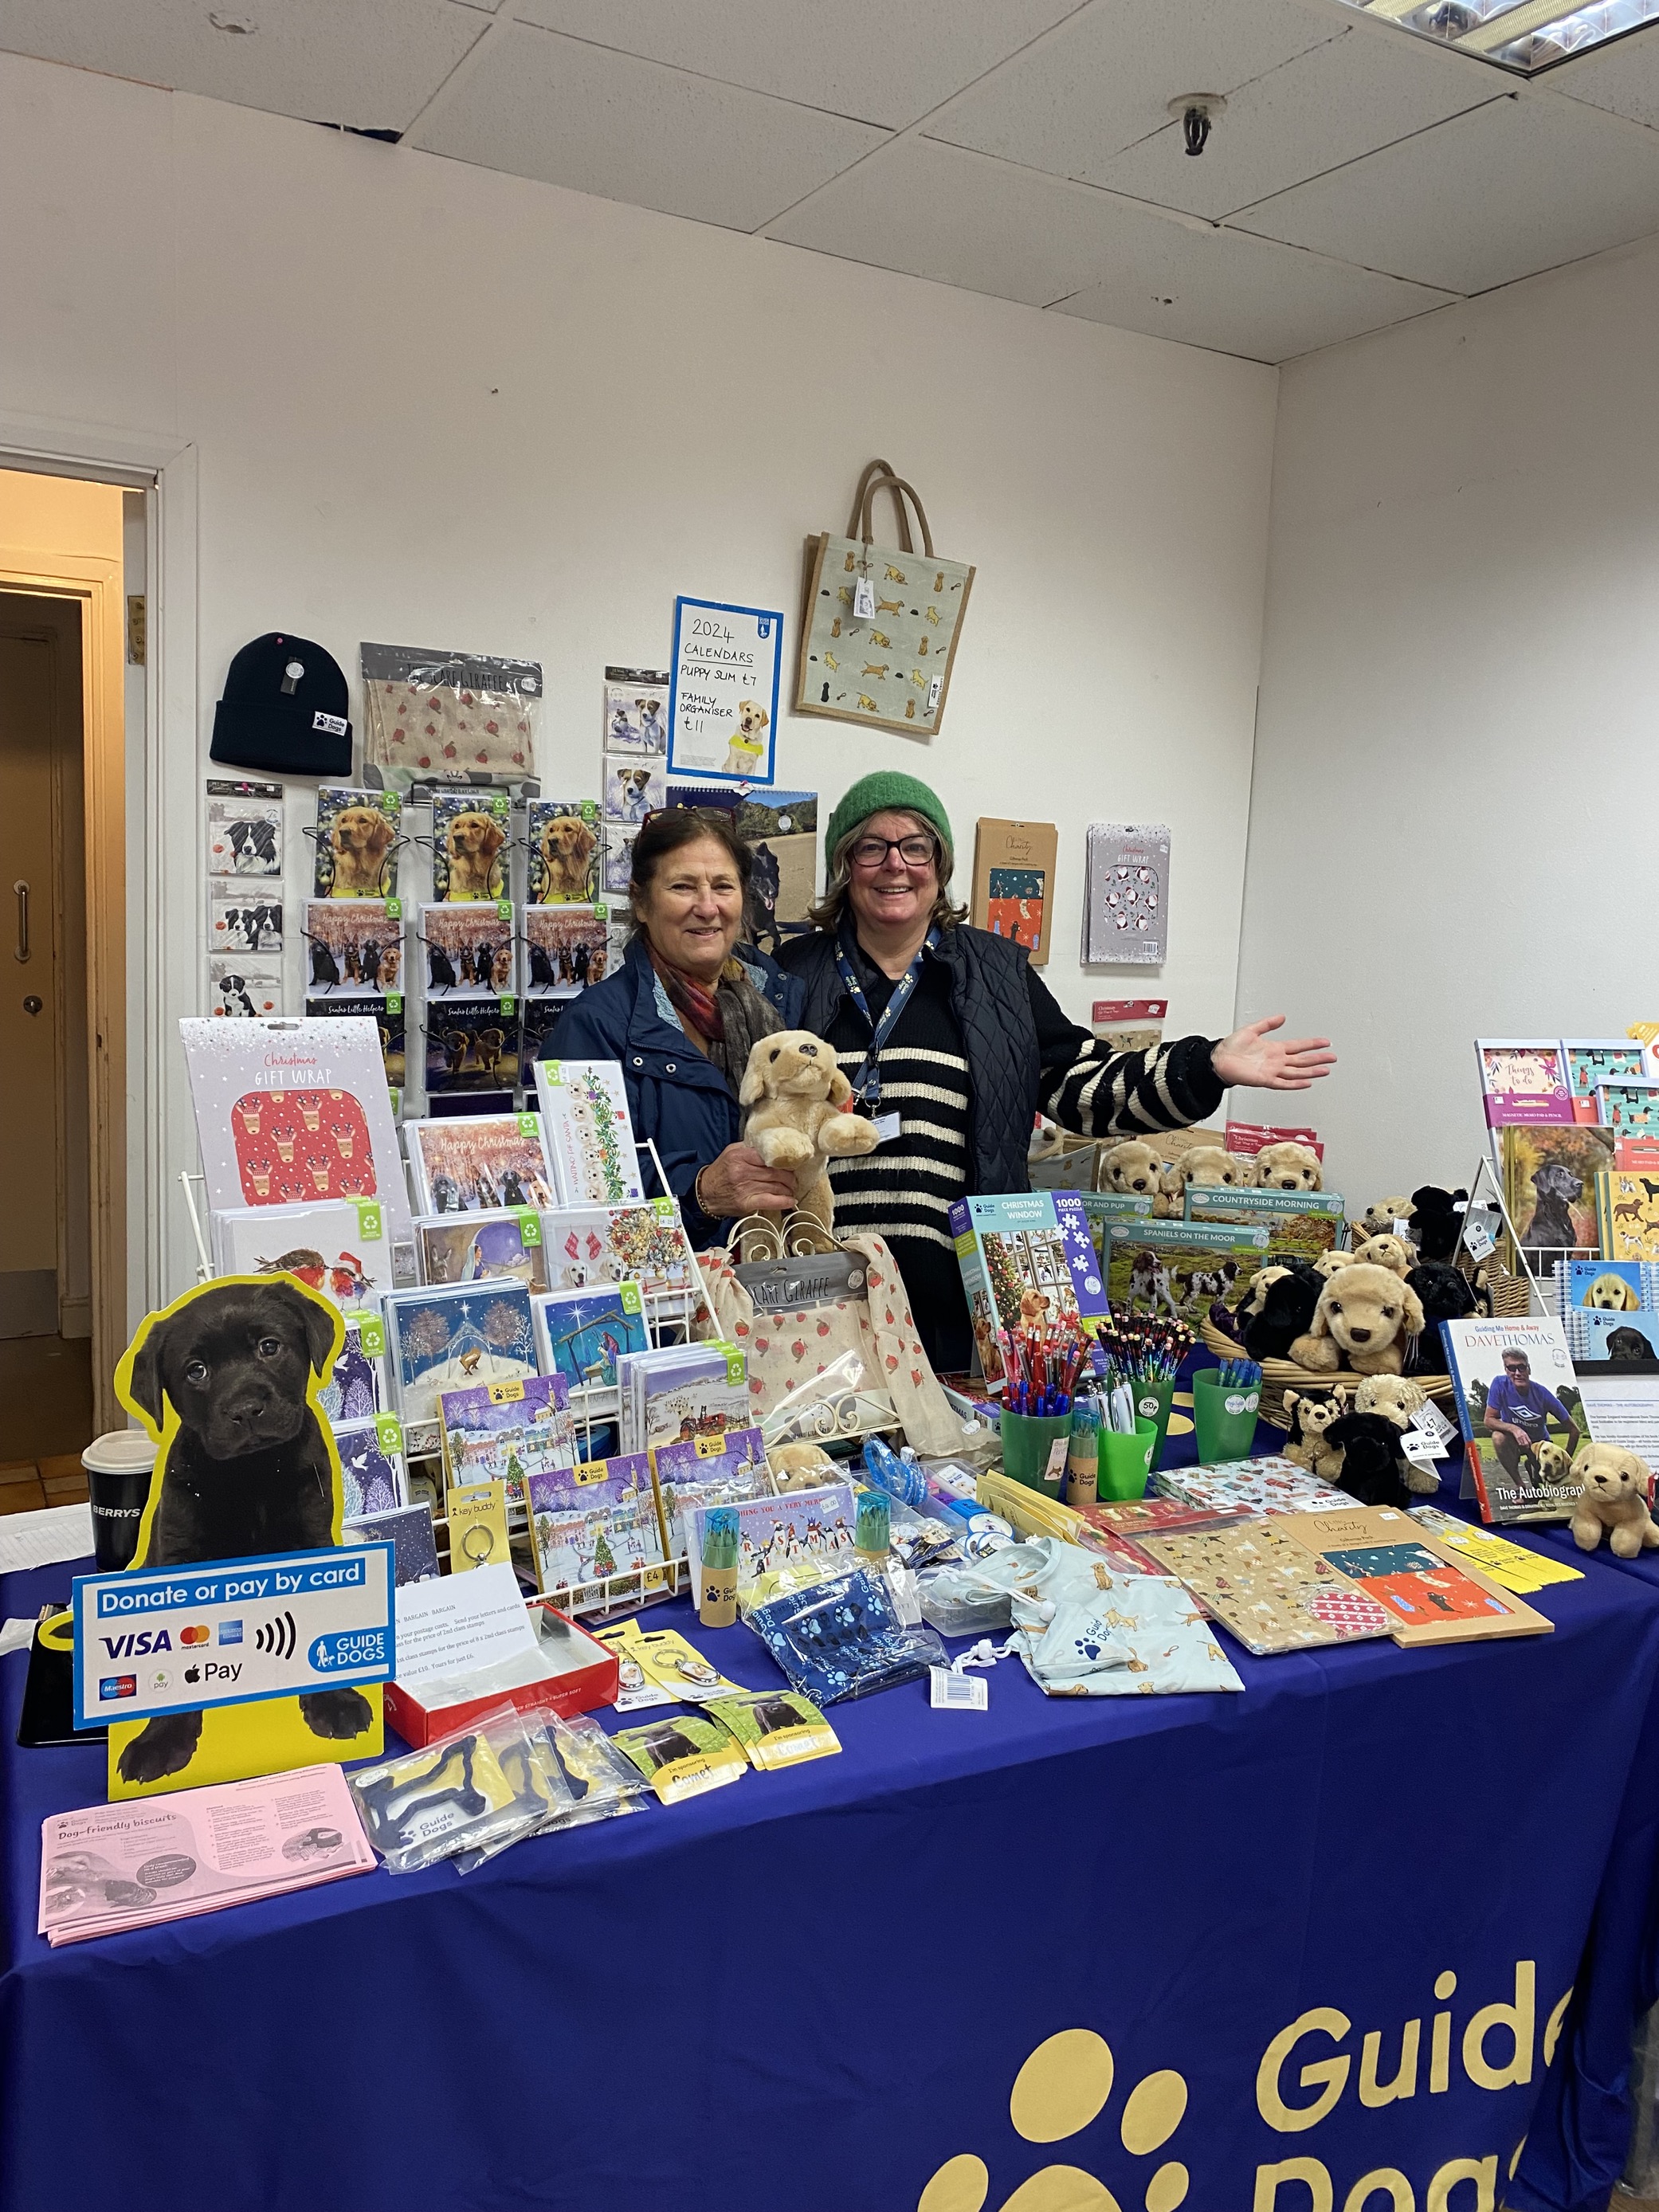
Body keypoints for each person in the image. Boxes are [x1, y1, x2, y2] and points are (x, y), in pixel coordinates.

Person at [779, 771, 1337, 1370]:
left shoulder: (999, 976)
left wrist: (1206, 1067)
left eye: (916, 846)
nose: (896, 865)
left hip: (959, 1311)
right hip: (820, 1302)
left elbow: (1084, 1088)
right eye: (872, 847)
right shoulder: (792, 973)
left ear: (938, 865)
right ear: (846, 863)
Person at [542, 807, 804, 1242]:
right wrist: (700, 1194)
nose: (707, 907)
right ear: (641, 903)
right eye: (682, 887)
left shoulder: (781, 1005)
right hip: (665, 1300)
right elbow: (576, 1196)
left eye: (723, 886)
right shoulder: (595, 1027)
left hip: (774, 1294)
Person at [1484, 1347, 1581, 1488]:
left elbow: (1574, 1430)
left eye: (1522, 1367)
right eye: (1512, 1368)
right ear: (1506, 1370)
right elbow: (1489, 1419)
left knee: (1542, 1487)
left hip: (1539, 1444)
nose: (1517, 1373)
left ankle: (1533, 1466)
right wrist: (1515, 1429)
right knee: (1498, 1437)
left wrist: (1566, 1463)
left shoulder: (1543, 1394)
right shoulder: (1499, 1384)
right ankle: (1520, 1485)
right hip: (1514, 1441)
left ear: (1529, 1369)